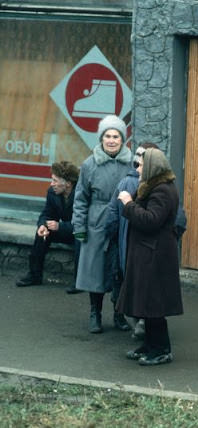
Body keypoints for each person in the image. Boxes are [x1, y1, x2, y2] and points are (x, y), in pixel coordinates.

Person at [106, 142, 187, 337]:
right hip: (148, 252)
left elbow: (151, 220)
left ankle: (159, 350)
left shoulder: (162, 190)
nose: (137, 168)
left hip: (154, 254)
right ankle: (149, 346)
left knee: (154, 306)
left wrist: (128, 203)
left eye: (141, 165)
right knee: (147, 305)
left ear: (151, 167)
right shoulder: (153, 186)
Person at [72, 114, 132, 333]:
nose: (112, 140)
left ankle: (119, 314)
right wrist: (79, 227)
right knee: (95, 271)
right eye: (107, 135)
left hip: (124, 220)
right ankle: (94, 313)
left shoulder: (131, 163)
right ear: (101, 138)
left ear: (122, 139)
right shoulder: (90, 164)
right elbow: (80, 198)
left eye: (116, 136)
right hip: (96, 222)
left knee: (120, 270)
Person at [16, 161, 81, 294]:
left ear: (68, 183)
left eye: (55, 181)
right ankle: (34, 275)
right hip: (65, 229)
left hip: (81, 231)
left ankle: (80, 282)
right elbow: (46, 213)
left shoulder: (82, 194)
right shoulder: (52, 192)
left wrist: (60, 226)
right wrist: (42, 225)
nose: (52, 184)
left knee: (81, 239)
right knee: (41, 234)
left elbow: (84, 223)